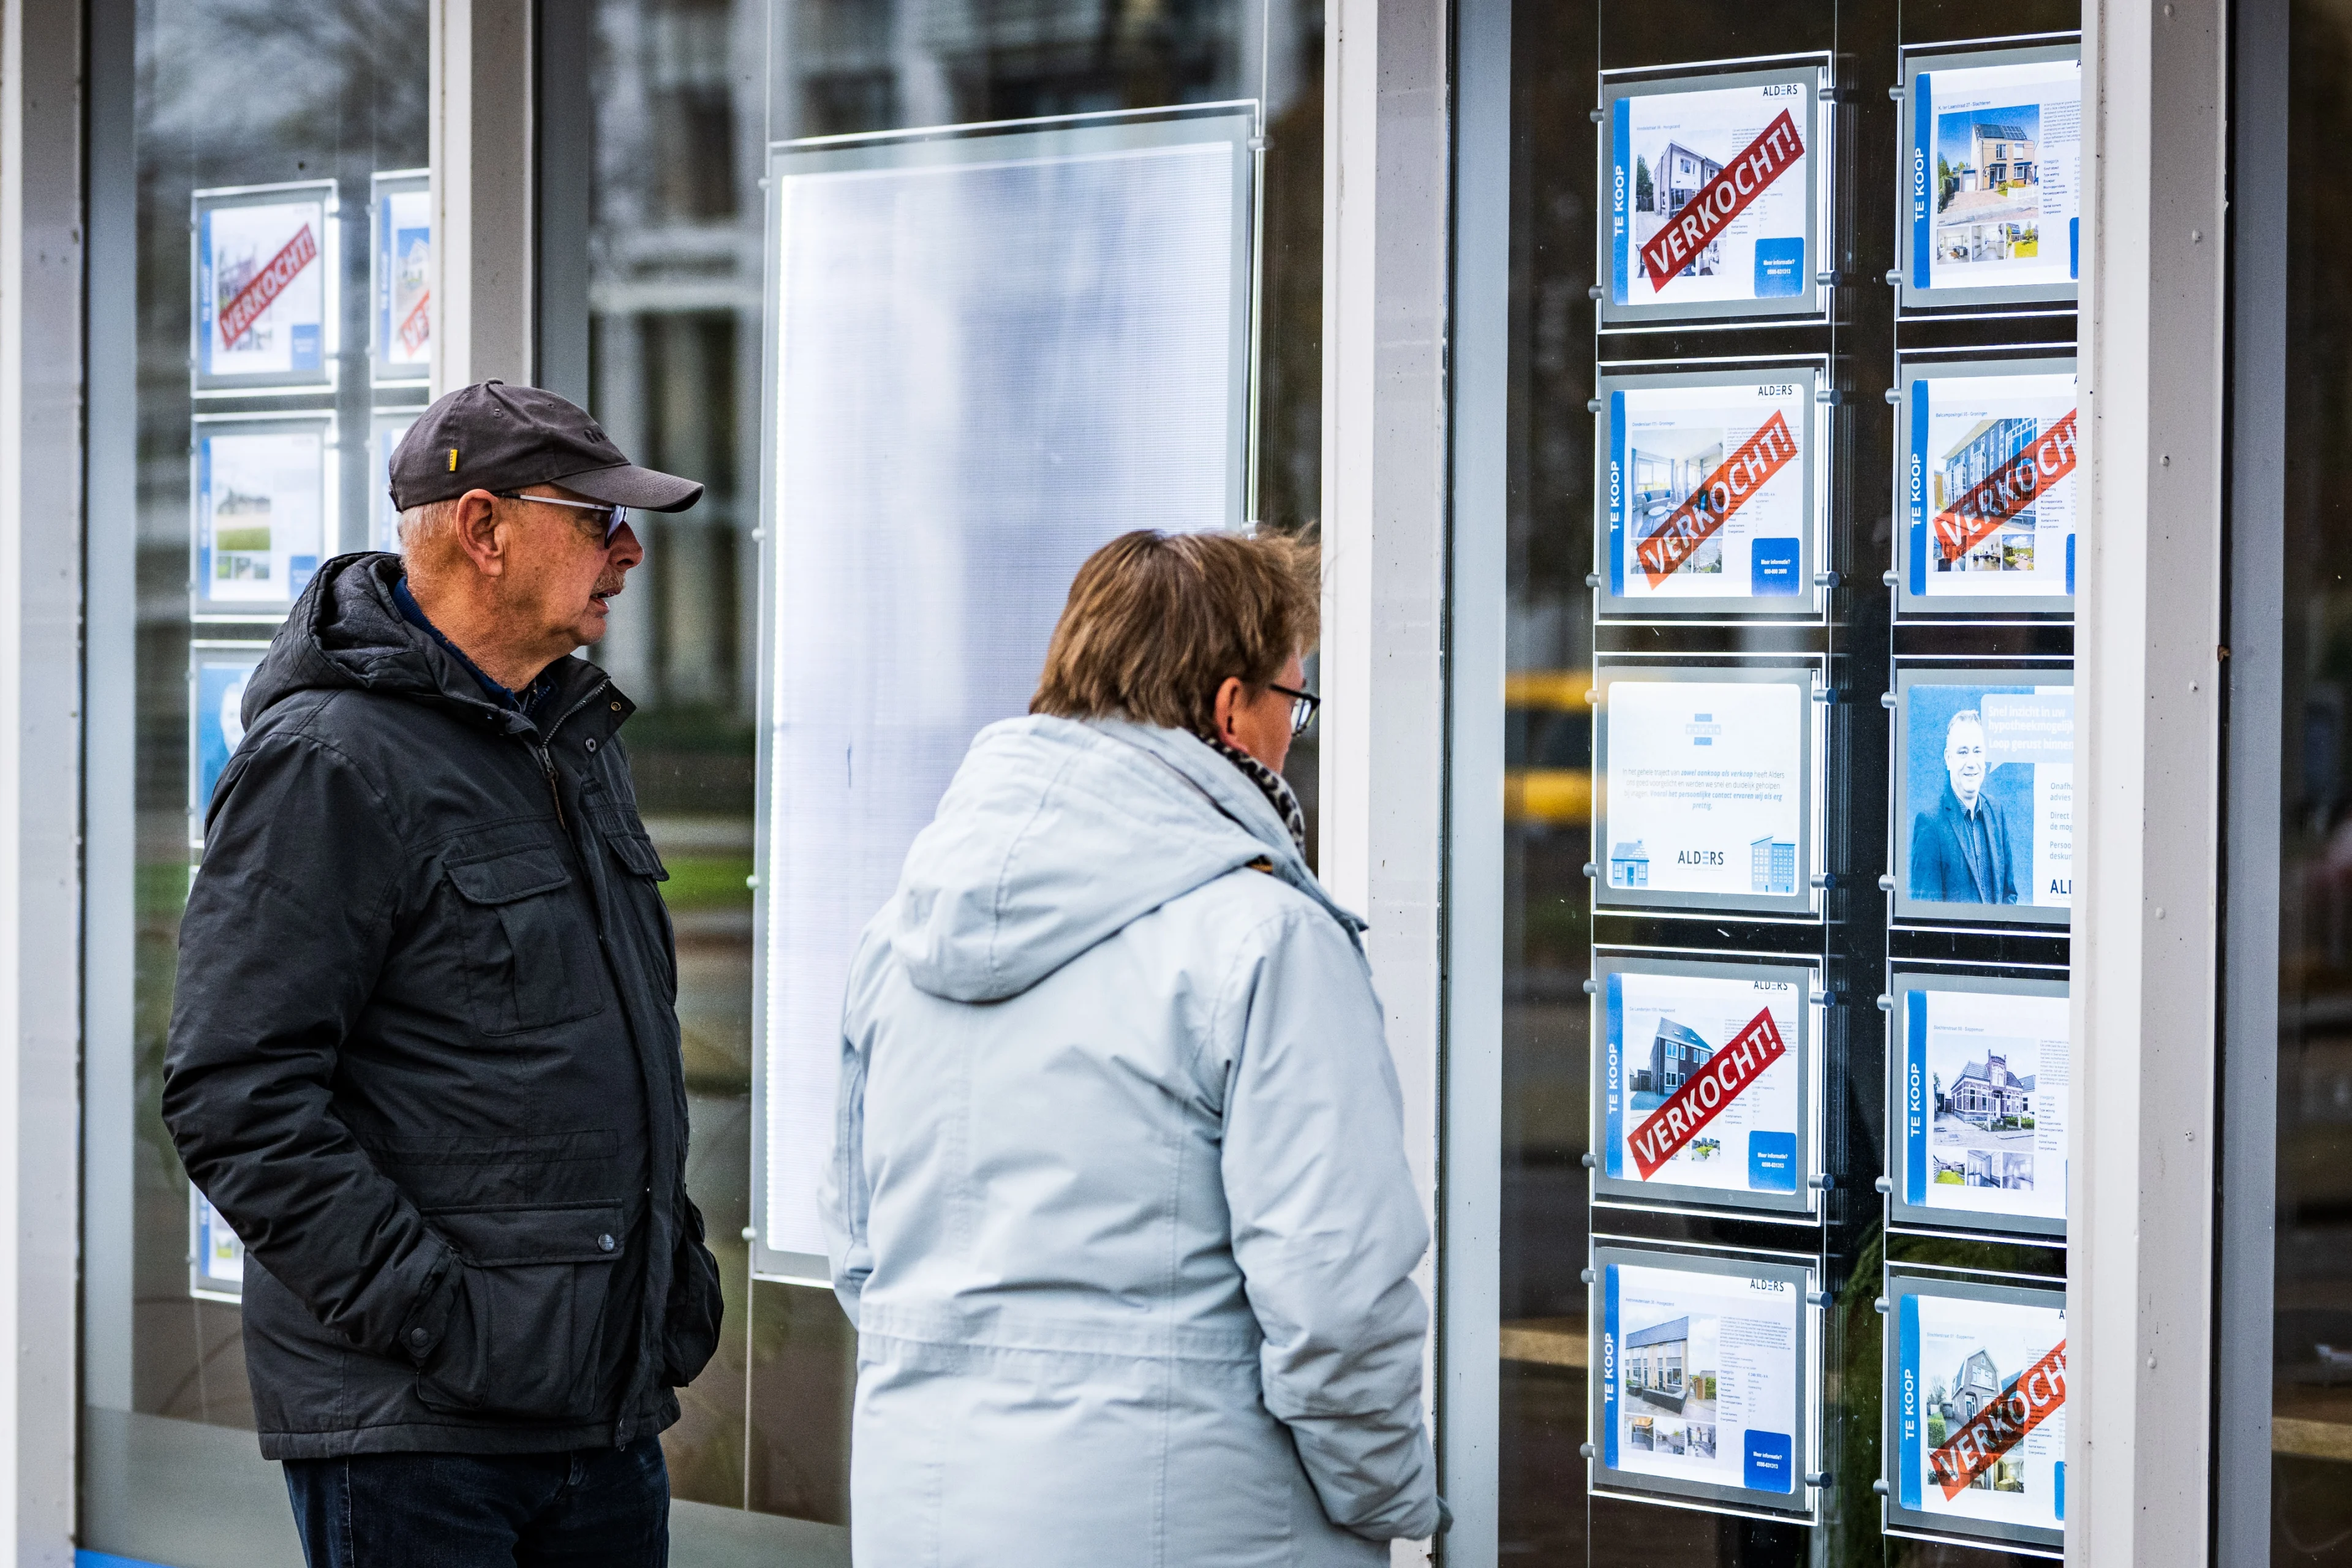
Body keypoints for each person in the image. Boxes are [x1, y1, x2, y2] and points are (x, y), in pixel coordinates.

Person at [162, 381, 725, 1567]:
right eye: (598, 519)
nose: (628, 551)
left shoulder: (562, 739)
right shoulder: (329, 762)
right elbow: (234, 1092)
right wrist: (446, 1317)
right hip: (424, 1430)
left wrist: (666, 1274)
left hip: (598, 1400)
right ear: (483, 527)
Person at [821, 529, 1444, 1566]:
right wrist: (1389, 1499)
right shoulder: (1267, 940)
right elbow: (1335, 1297)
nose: (1297, 731)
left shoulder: (900, 936)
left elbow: (859, 1246)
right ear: (1230, 710)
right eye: (1297, 699)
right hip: (1204, 1518)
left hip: (922, 1508)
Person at [1909, 706, 2020, 904]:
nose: (1972, 762)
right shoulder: (1930, 824)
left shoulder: (1996, 812)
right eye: (1963, 752)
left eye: (1977, 751)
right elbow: (1926, 916)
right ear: (1948, 759)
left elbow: (2009, 894)